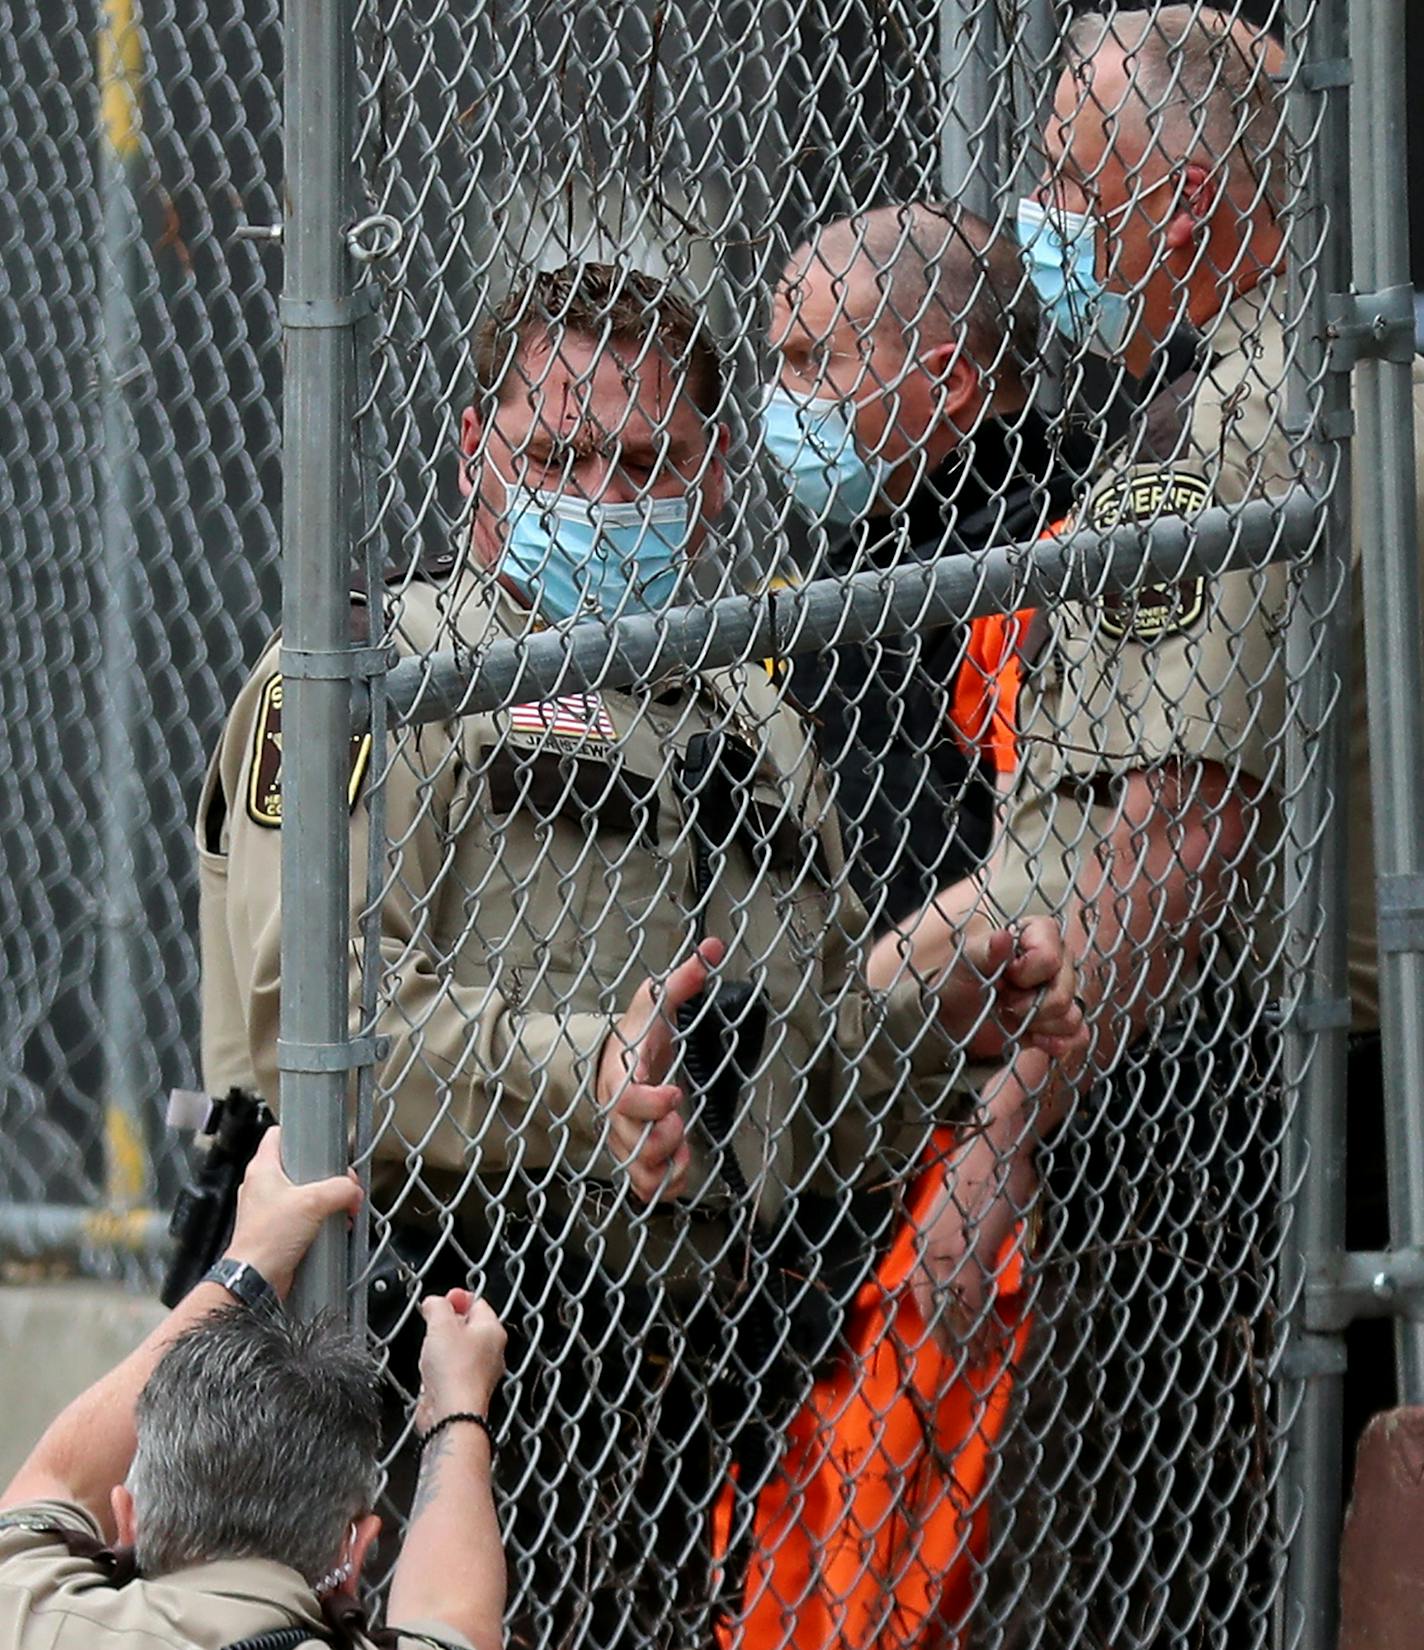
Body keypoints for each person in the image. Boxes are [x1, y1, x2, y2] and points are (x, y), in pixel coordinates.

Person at [197, 261, 1086, 1650]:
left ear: (718, 474)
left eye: (644, 460)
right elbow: (291, 1021)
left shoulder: (755, 714)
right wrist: (586, 1077)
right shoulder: (371, 669)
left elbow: (806, 1092)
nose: (604, 496)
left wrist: (937, 1024)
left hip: (679, 1377)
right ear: (473, 453)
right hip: (400, 1346)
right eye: (561, 456)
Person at [883, 8, 1422, 1646]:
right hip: (1277, 1073)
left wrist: (1002, 1131)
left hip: (1225, 1099)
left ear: (1180, 209)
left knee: (1133, 1582)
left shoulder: (1247, 414)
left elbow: (1181, 831)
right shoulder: (1306, 379)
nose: (1036, 213)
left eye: (1062, 173)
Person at [0, 1129, 508, 1650]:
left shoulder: (26, 1614)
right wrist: (457, 1409)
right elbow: (454, 1623)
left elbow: (57, 1483)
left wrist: (248, 1263)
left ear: (127, 1518)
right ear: (352, 1555)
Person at [764, 202, 1088, 928]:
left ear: (948, 380)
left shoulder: (1048, 556)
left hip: (990, 988)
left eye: (813, 361)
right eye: (781, 361)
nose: (782, 398)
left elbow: (1031, 851)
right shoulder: (861, 554)